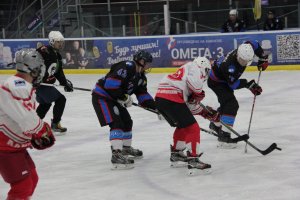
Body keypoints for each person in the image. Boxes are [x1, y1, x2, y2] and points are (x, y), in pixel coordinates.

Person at [0, 49, 55, 200]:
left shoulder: (20, 84)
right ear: (34, 69)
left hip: (14, 146)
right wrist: (41, 130)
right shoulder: (18, 86)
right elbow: (25, 117)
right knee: (21, 186)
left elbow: (21, 118)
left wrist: (31, 134)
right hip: (5, 147)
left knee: (32, 178)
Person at [92, 50, 156, 169]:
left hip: (115, 99)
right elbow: (110, 85)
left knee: (127, 122)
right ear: (141, 61)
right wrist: (124, 97)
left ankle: (125, 149)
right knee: (116, 123)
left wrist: (157, 108)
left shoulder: (141, 77)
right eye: (147, 63)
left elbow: (143, 95)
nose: (148, 66)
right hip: (103, 97)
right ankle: (116, 154)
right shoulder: (127, 67)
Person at [155, 57, 220, 172]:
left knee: (183, 125)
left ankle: (177, 154)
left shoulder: (185, 73)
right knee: (193, 128)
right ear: (204, 67)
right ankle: (193, 159)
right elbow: (195, 86)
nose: (206, 75)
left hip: (162, 98)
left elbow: (188, 107)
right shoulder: (194, 67)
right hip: (172, 97)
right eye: (207, 71)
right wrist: (198, 94)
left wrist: (204, 113)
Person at [207, 41, 269, 148]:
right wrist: (249, 84)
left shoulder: (245, 48)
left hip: (224, 79)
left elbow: (253, 43)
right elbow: (233, 85)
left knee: (226, 104)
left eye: (246, 61)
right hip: (217, 82)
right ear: (238, 55)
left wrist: (262, 57)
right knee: (231, 105)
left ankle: (215, 124)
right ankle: (224, 137)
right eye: (242, 60)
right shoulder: (230, 66)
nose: (244, 63)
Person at [36, 31, 74, 133]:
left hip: (45, 85)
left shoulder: (57, 55)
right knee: (61, 100)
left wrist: (65, 83)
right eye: (58, 42)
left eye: (61, 42)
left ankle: (33, 124)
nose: (60, 44)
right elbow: (32, 60)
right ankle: (55, 124)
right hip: (41, 85)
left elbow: (58, 72)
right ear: (52, 42)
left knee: (45, 104)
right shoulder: (44, 51)